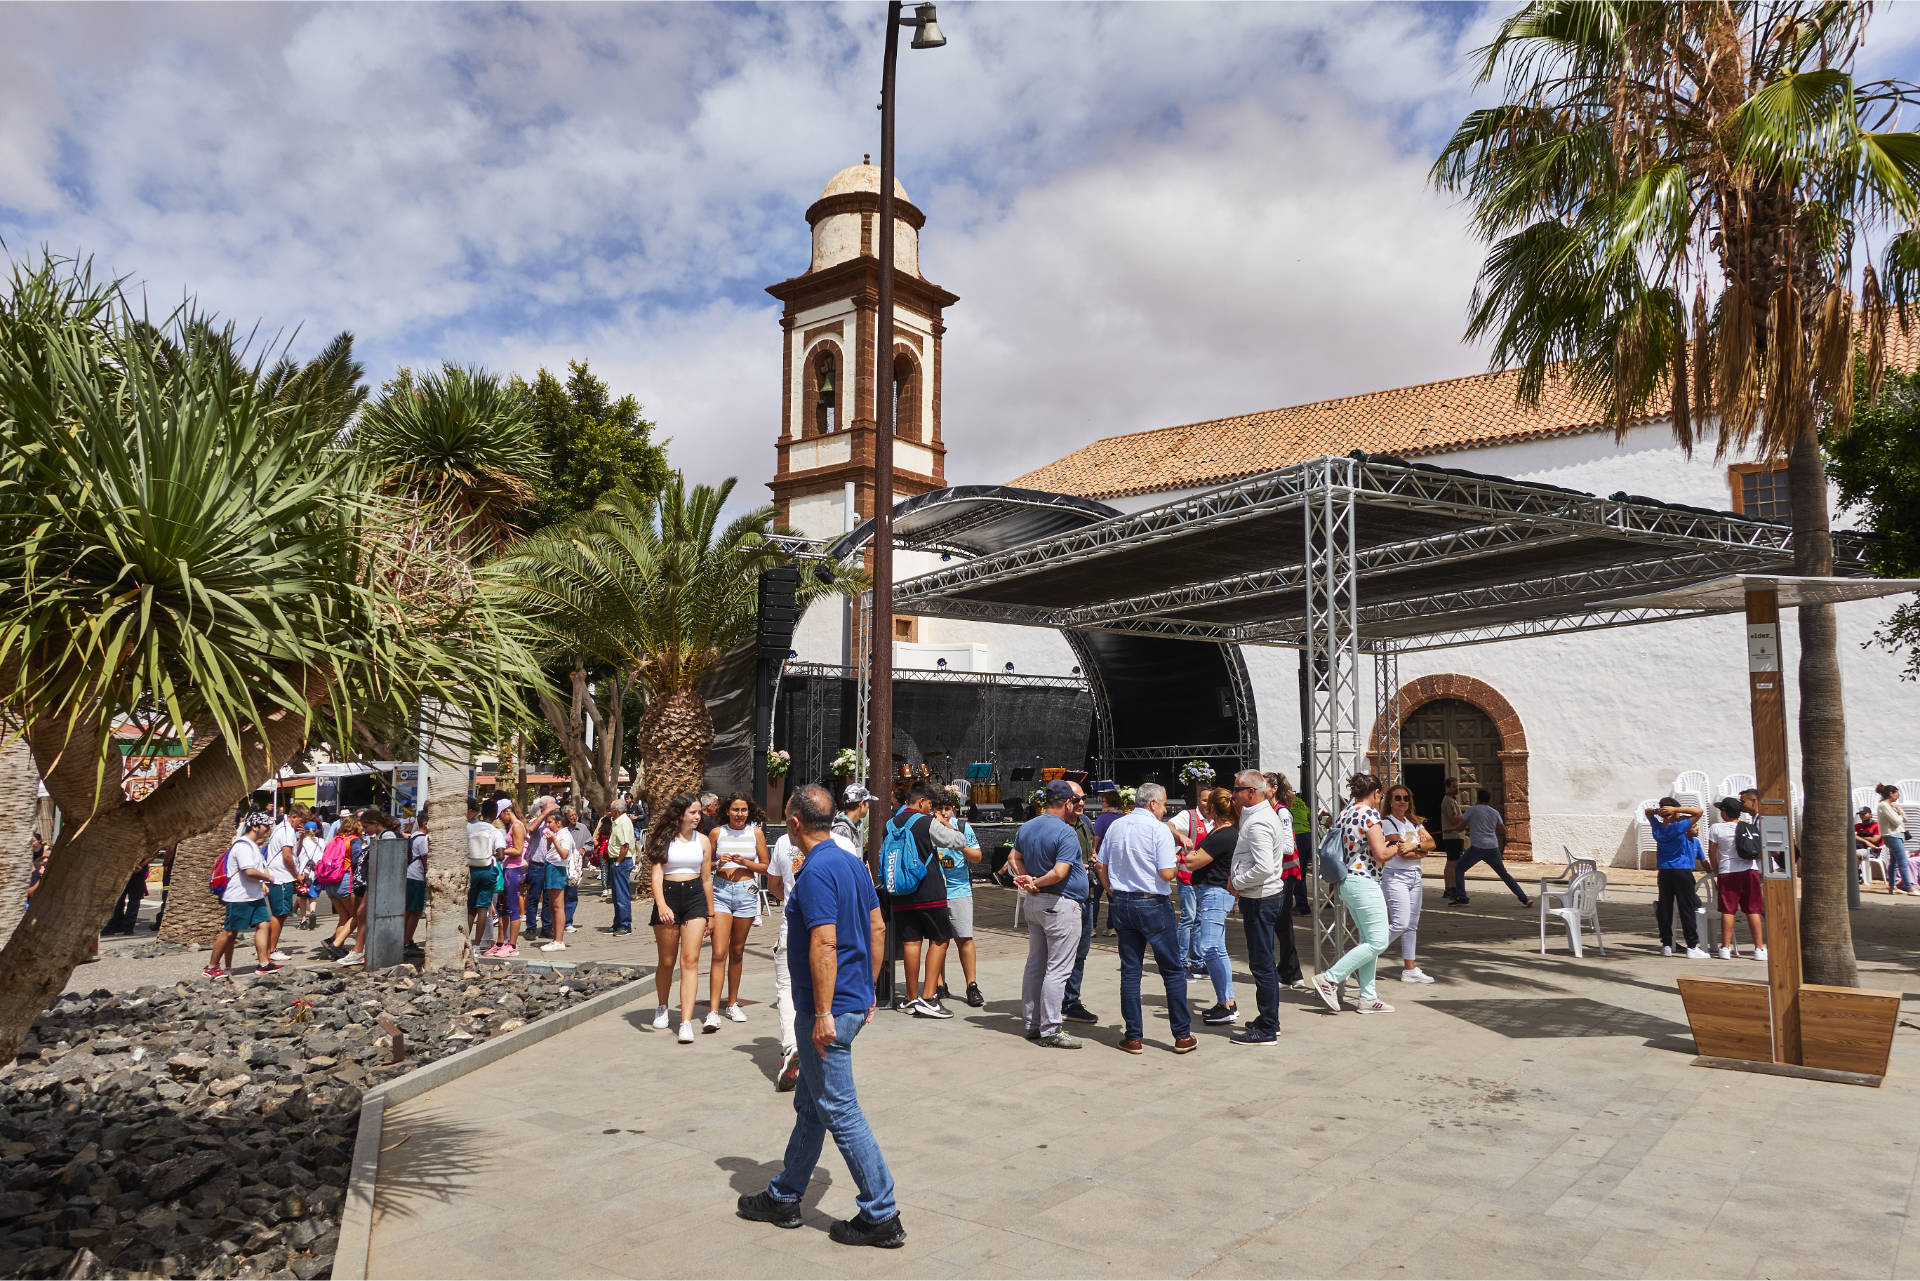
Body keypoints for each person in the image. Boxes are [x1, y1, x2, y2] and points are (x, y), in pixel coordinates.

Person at [736, 784, 901, 1248]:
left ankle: (881, 1212)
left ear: (793, 824)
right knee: (811, 1105)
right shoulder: (851, 862)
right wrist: (867, 989)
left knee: (841, 1111)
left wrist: (826, 1011)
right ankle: (786, 1193)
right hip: (849, 1000)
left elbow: (825, 942)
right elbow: (878, 927)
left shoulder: (814, 874)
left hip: (826, 1010)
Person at [1098, 783, 1197, 1054]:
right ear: (1152, 804)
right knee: (1173, 970)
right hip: (1151, 902)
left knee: (1131, 970)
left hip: (1122, 902)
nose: (1165, 810)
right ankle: (1182, 1035)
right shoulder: (1158, 829)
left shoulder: (1117, 825)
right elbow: (1166, 874)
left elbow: (1100, 864)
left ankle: (1133, 1036)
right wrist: (1179, 863)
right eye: (1164, 804)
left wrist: (1110, 890)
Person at [1009, 780, 1089, 1048]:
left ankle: (1033, 1023)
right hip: (1059, 904)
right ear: (1067, 803)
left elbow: (1014, 858)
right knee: (1057, 969)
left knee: (1036, 965)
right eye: (1074, 802)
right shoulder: (1066, 832)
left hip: (1036, 903)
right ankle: (1051, 1028)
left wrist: (1026, 878)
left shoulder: (1028, 826)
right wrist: (1035, 881)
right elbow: (1059, 872)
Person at [1310, 773, 1396, 1015]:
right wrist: (1397, 847)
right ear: (1376, 793)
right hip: (1365, 881)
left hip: (1348, 882)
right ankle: (1329, 978)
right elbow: (1380, 853)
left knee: (1369, 941)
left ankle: (1368, 997)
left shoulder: (1346, 812)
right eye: (1380, 795)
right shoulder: (1370, 814)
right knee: (1378, 941)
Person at [882, 781, 967, 1019]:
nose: (932, 810)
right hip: (928, 891)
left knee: (911, 942)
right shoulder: (926, 821)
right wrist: (943, 821)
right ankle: (929, 997)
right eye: (930, 805)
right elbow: (959, 842)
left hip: (899, 891)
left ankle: (910, 998)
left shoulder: (890, 824)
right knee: (940, 939)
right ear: (921, 802)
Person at [1229, 768, 1293, 1043]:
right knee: (1263, 961)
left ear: (1251, 793)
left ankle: (1268, 1026)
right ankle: (1268, 1019)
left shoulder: (1258, 822)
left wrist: (1238, 882)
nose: (1233, 795)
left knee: (1262, 964)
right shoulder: (1261, 815)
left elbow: (1265, 867)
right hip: (1264, 896)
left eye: (1237, 790)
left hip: (1261, 898)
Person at [648, 791, 715, 1044]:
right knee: (667, 960)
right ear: (680, 814)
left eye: (699, 812)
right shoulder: (664, 839)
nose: (698, 816)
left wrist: (711, 914)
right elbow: (656, 874)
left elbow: (707, 878)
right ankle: (662, 1005)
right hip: (668, 895)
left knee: (691, 960)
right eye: (693, 812)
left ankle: (686, 1021)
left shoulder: (704, 841)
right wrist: (662, 905)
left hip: (695, 897)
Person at [709, 794, 770, 1024]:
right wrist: (719, 863)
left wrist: (745, 862)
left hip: (746, 892)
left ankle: (732, 1003)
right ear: (727, 811)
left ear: (749, 811)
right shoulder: (717, 833)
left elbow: (765, 866)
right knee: (718, 952)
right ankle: (713, 1010)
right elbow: (704, 864)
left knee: (737, 951)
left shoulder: (756, 833)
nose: (739, 814)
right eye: (735, 810)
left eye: (743, 810)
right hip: (721, 891)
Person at [1184, 787, 1240, 1026]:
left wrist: (1191, 854)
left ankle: (1226, 1003)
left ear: (1215, 809)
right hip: (1215, 893)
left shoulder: (1223, 835)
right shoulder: (1222, 832)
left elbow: (1193, 861)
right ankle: (1226, 1002)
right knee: (1217, 948)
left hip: (1214, 894)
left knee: (1210, 948)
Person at [208, 813, 278, 978]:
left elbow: (258, 867)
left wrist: (262, 883)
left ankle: (263, 964)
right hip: (239, 897)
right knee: (230, 932)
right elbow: (249, 871)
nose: (268, 831)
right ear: (255, 827)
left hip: (254, 895)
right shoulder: (242, 846)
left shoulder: (253, 846)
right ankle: (211, 966)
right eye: (266, 827)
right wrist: (267, 878)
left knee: (264, 925)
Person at [931, 794, 985, 1008]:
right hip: (935, 890)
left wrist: (957, 843)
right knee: (938, 940)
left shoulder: (962, 827)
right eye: (940, 809)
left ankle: (971, 985)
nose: (944, 813)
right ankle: (939, 984)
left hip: (959, 890)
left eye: (948, 808)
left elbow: (977, 857)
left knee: (964, 937)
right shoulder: (930, 827)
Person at [1380, 783, 1437, 984]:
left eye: (1405, 798)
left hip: (1415, 876)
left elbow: (1431, 843)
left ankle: (1410, 969)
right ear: (1390, 801)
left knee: (1411, 925)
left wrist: (1417, 846)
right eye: (1398, 798)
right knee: (1400, 923)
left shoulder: (1413, 822)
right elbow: (1403, 853)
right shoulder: (1388, 823)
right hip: (1396, 876)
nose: (1402, 801)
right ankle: (1365, 955)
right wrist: (1419, 850)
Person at [765, 826, 806, 1091]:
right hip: (827, 930)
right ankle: (818, 1052)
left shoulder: (782, 842)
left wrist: (793, 901)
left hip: (790, 928)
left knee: (787, 990)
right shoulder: (840, 842)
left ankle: (791, 1047)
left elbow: (773, 886)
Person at [1646, 797, 1709, 958]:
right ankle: (1692, 946)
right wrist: (1676, 811)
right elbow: (1699, 812)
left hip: (1664, 872)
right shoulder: (1679, 827)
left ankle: (1667, 944)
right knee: (1686, 908)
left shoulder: (1658, 828)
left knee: (1665, 908)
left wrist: (1656, 812)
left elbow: (1647, 813)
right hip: (1681, 871)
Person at [1706, 797, 1767, 960]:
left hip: (1728, 871)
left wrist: (1716, 870)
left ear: (1724, 812)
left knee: (1728, 910)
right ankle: (1759, 949)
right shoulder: (1748, 827)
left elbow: (1712, 851)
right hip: (1750, 870)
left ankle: (1725, 948)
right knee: (1753, 909)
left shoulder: (1716, 828)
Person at [1455, 789, 1531, 907]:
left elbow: (1460, 827)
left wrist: (1457, 829)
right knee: (1504, 874)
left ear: (1478, 798)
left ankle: (1462, 897)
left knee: (1459, 868)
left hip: (1478, 846)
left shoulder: (1472, 810)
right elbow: (1502, 830)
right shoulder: (1494, 812)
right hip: (1492, 847)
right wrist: (1488, 830)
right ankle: (1524, 898)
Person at [1165, 788, 1210, 970]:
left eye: (1210, 800)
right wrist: (1181, 836)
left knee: (1199, 919)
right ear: (1199, 800)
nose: (1207, 804)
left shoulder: (1214, 820)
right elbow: (1168, 825)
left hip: (1205, 878)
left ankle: (1198, 962)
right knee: (1188, 918)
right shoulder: (1188, 816)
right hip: (1188, 876)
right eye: (1205, 800)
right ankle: (1181, 961)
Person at [464, 797, 504, 955]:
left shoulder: (470, 827)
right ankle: (476, 946)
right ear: (495, 814)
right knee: (483, 909)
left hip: (471, 870)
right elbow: (500, 854)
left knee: (470, 908)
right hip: (487, 870)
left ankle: (465, 942)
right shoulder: (496, 831)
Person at [491, 798, 529, 957]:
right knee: (504, 907)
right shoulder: (513, 826)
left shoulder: (518, 826)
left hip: (515, 868)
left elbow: (518, 850)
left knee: (513, 907)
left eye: (501, 815)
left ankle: (512, 944)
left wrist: (501, 851)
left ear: (508, 811)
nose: (500, 819)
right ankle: (501, 942)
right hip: (509, 868)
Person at [261, 808, 300, 962]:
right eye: (301, 821)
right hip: (282, 877)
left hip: (277, 876)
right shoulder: (287, 831)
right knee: (280, 914)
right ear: (294, 817)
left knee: (280, 913)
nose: (301, 825)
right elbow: (287, 855)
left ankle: (269, 947)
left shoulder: (280, 827)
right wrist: (297, 875)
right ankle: (271, 949)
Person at [537, 810, 575, 952]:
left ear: (558, 823)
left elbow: (564, 854)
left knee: (558, 906)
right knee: (552, 905)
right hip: (551, 867)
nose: (547, 824)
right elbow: (551, 852)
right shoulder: (559, 834)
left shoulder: (564, 834)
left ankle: (559, 940)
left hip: (557, 869)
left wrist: (553, 840)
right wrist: (550, 841)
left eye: (550, 822)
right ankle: (556, 938)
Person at [606, 797, 637, 936]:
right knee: (617, 894)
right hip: (616, 861)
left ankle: (624, 925)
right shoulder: (617, 821)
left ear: (616, 810)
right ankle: (618, 923)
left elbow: (625, 845)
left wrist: (618, 862)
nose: (610, 812)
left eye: (612, 809)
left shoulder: (623, 822)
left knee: (622, 895)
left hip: (622, 862)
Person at [403, 804, 429, 951]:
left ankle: (405, 939)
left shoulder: (412, 836)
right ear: (425, 823)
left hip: (409, 875)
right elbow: (425, 861)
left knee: (408, 910)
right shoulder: (423, 840)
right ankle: (407, 940)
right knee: (416, 911)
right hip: (416, 877)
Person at [1877, 784, 1912, 895]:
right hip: (1892, 835)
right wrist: (1899, 817)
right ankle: (1909, 887)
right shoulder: (1883, 805)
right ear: (1891, 793)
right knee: (1903, 861)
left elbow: (1905, 818)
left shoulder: (1891, 805)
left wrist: (1899, 810)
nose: (1898, 795)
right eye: (1897, 793)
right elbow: (1896, 821)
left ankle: (1892, 887)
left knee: (1894, 863)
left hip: (1898, 835)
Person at [1439, 778, 1468, 903]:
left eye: (1457, 787)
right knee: (1453, 863)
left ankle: (1449, 888)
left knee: (1451, 862)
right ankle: (1451, 888)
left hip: (1455, 836)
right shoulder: (1448, 801)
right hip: (1453, 836)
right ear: (1447, 787)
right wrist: (1466, 821)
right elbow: (1453, 819)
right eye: (1454, 787)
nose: (1457, 789)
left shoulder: (1451, 800)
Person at [295, 820, 324, 930]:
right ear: (316, 830)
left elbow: (296, 856)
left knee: (302, 897)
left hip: (303, 872)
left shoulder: (301, 842)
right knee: (313, 895)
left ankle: (303, 920)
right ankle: (312, 911)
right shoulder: (321, 841)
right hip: (316, 873)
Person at [834, 785, 873, 856]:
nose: (868, 807)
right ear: (861, 804)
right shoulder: (841, 830)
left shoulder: (855, 826)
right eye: (868, 803)